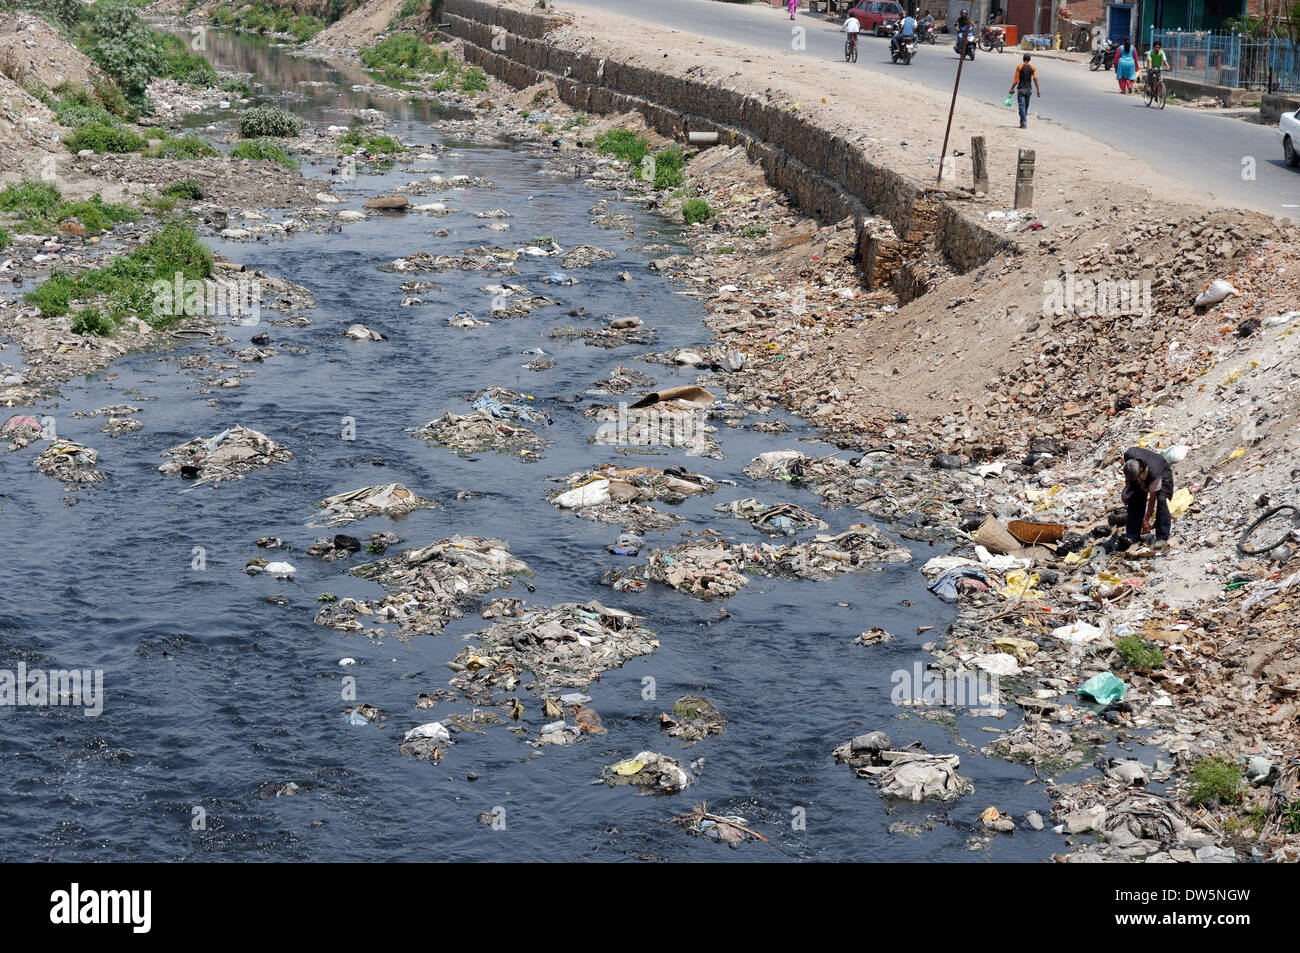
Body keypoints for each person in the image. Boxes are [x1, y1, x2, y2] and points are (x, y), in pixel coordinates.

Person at [1121, 446, 1174, 546]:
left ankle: (1162, 537)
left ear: (1141, 470)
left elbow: (1152, 497)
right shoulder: (1129, 456)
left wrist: (1146, 519)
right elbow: (1129, 481)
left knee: (1162, 501)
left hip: (1163, 473)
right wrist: (1126, 492)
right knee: (1135, 499)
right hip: (1139, 472)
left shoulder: (1155, 473)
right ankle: (1132, 535)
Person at [1008, 53, 1041, 129]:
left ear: (1023, 59)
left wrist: (1012, 88)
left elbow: (1016, 81)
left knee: (1022, 107)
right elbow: (1035, 79)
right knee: (1025, 106)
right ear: (1029, 60)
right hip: (1029, 90)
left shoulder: (1019, 67)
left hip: (1021, 89)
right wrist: (1038, 90)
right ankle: (1023, 121)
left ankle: (1023, 122)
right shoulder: (1033, 68)